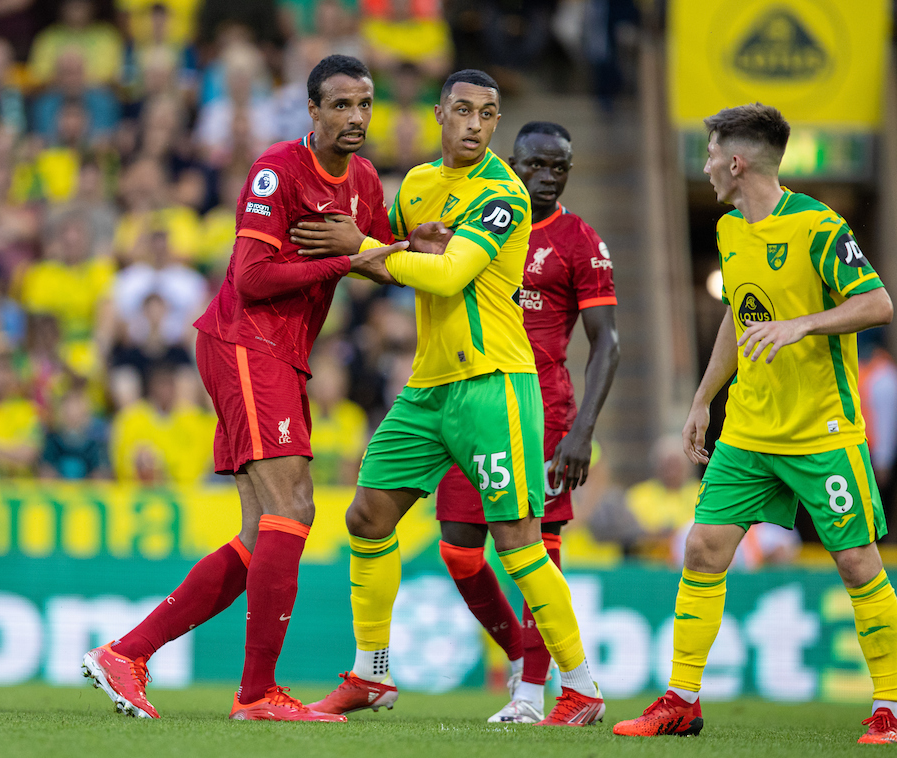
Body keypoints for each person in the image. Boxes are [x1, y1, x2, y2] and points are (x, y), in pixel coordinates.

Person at [81, 54, 439, 722]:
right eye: (340, 105)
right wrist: (348, 256)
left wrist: (412, 242)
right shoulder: (279, 168)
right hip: (247, 341)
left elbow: (377, 254)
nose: (356, 117)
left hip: (282, 355)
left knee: (264, 532)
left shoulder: (362, 179)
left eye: (364, 104)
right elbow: (249, 277)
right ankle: (255, 694)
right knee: (293, 511)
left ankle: (126, 654)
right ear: (312, 110)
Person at [306, 70, 605, 726]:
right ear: (439, 112)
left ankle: (580, 687)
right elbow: (389, 262)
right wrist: (384, 250)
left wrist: (370, 248)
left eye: (488, 114)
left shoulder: (503, 193)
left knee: (520, 544)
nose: (474, 124)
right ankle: (372, 674)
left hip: (494, 384)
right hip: (428, 386)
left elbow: (444, 273)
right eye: (463, 110)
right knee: (367, 517)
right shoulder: (415, 185)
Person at [612, 104, 897, 743]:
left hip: (823, 430)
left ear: (737, 162)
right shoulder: (730, 230)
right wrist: (702, 399)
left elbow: (879, 303)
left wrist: (803, 324)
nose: (706, 164)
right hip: (747, 429)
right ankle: (681, 701)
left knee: (855, 562)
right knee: (702, 548)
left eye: (711, 153)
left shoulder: (819, 227)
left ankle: (892, 706)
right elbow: (739, 319)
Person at [430, 120, 619, 724]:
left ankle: (533, 695)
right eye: (534, 165)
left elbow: (608, 343)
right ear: (509, 162)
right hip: (473, 402)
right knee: (460, 552)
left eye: (558, 167)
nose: (545, 177)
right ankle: (518, 650)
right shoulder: (480, 218)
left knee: (539, 548)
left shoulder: (579, 241)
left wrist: (583, 429)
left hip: (542, 411)